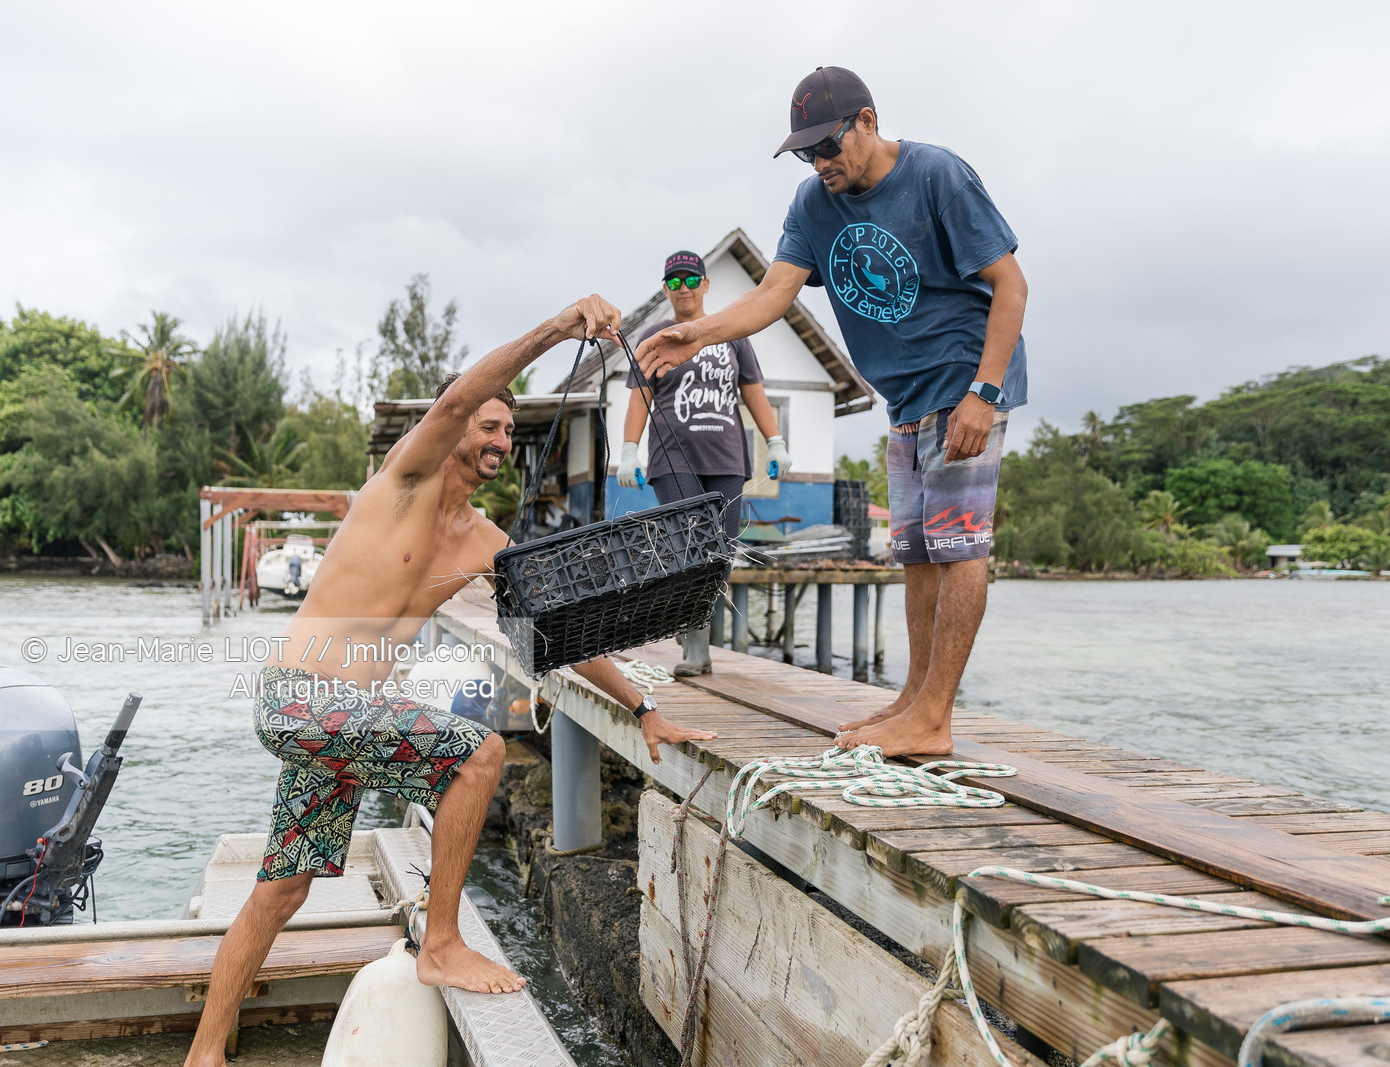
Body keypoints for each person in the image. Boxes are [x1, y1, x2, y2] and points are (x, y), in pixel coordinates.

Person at [184, 295, 717, 1067]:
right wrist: (558, 328)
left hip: (348, 719)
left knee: (282, 888)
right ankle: (440, 942)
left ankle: (204, 1053)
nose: (499, 436)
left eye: (508, 429)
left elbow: (553, 634)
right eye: (488, 424)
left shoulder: (486, 542)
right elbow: (464, 392)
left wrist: (645, 706)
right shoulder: (403, 484)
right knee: (478, 753)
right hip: (300, 692)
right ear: (454, 427)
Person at [634, 67, 1028, 757]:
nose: (821, 163)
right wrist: (695, 332)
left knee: (959, 545)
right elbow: (771, 296)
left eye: (829, 146)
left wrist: (984, 393)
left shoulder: (937, 175)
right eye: (808, 153)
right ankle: (912, 698)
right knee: (914, 553)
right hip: (904, 399)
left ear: (868, 122)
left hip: (964, 382)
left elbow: (1011, 285)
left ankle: (935, 717)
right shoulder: (812, 205)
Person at [618, 249, 791, 676]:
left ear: (705, 285)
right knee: (687, 546)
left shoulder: (731, 334)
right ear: (665, 289)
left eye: (691, 279)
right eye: (674, 281)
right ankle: (697, 647)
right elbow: (641, 395)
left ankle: (690, 620)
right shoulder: (654, 336)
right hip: (672, 454)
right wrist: (627, 450)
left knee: (722, 552)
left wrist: (776, 441)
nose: (684, 288)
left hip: (727, 456)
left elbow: (752, 390)